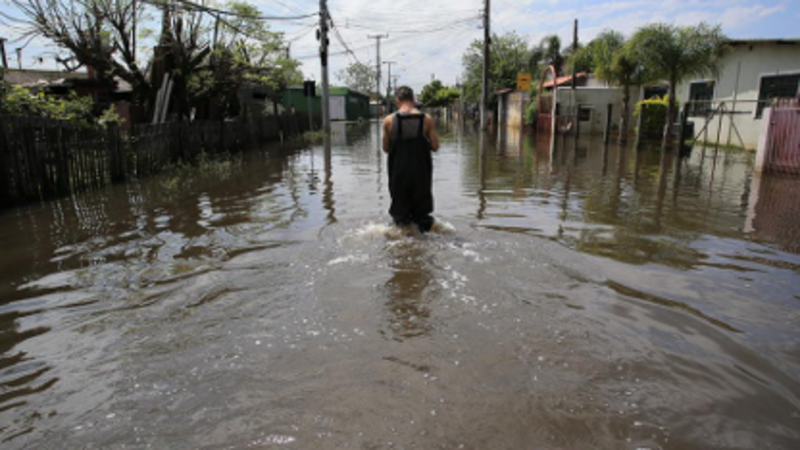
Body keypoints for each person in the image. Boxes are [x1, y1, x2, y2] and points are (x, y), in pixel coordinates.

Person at [382, 86, 440, 232]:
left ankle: (403, 240)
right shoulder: (427, 119)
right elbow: (435, 146)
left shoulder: (388, 120)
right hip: (421, 171)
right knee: (422, 215)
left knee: (400, 216)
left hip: (398, 171)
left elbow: (386, 148)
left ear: (397, 101)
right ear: (413, 100)